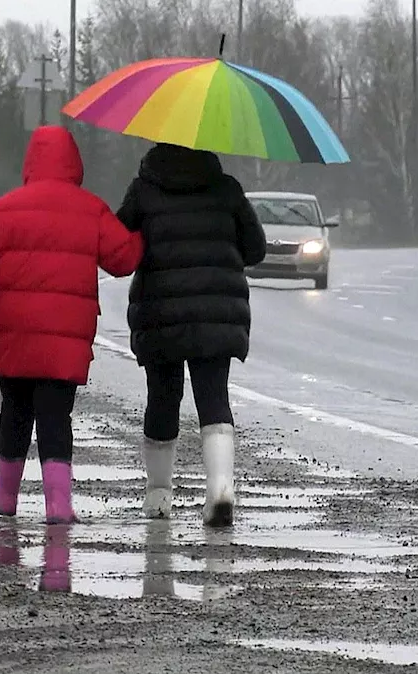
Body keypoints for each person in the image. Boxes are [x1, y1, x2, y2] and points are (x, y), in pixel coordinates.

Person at [0, 125, 143, 524]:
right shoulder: (91, 209)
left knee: (14, 410)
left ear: (31, 162)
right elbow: (122, 261)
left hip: (12, 332)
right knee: (54, 417)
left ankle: (7, 493)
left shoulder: (6, 207)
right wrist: (138, 228)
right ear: (74, 163)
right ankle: (58, 504)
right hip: (65, 340)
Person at [115, 142, 266, 528]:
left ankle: (158, 495)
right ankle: (220, 490)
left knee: (162, 398)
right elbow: (256, 250)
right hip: (216, 312)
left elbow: (118, 246)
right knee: (214, 397)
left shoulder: (144, 191)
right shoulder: (227, 189)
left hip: (161, 310)